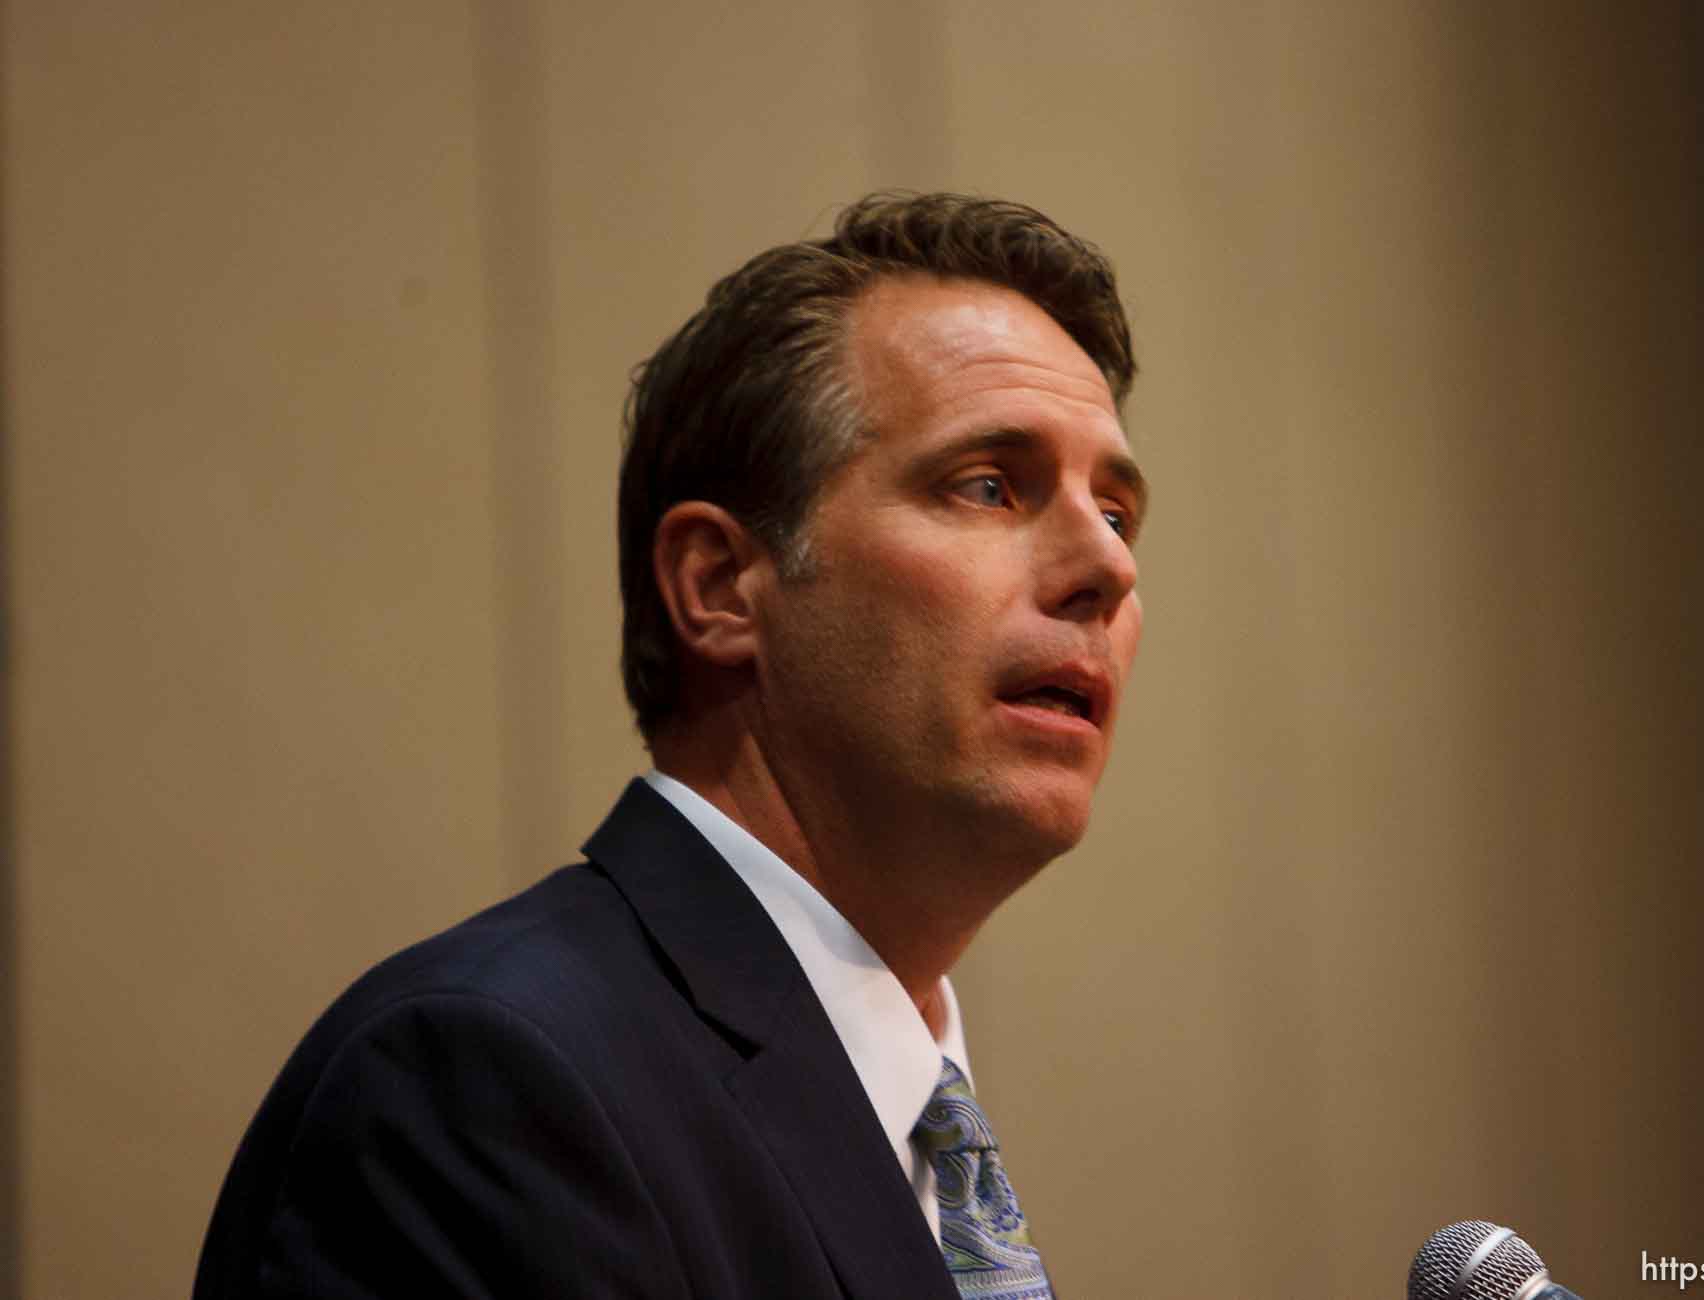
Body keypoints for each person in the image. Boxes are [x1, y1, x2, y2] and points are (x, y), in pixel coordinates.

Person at [193, 191, 1147, 1299]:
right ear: (719, 586)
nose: (1108, 567)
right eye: (989, 485)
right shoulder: (491, 1085)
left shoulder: (918, 1136)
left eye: (1119, 512)